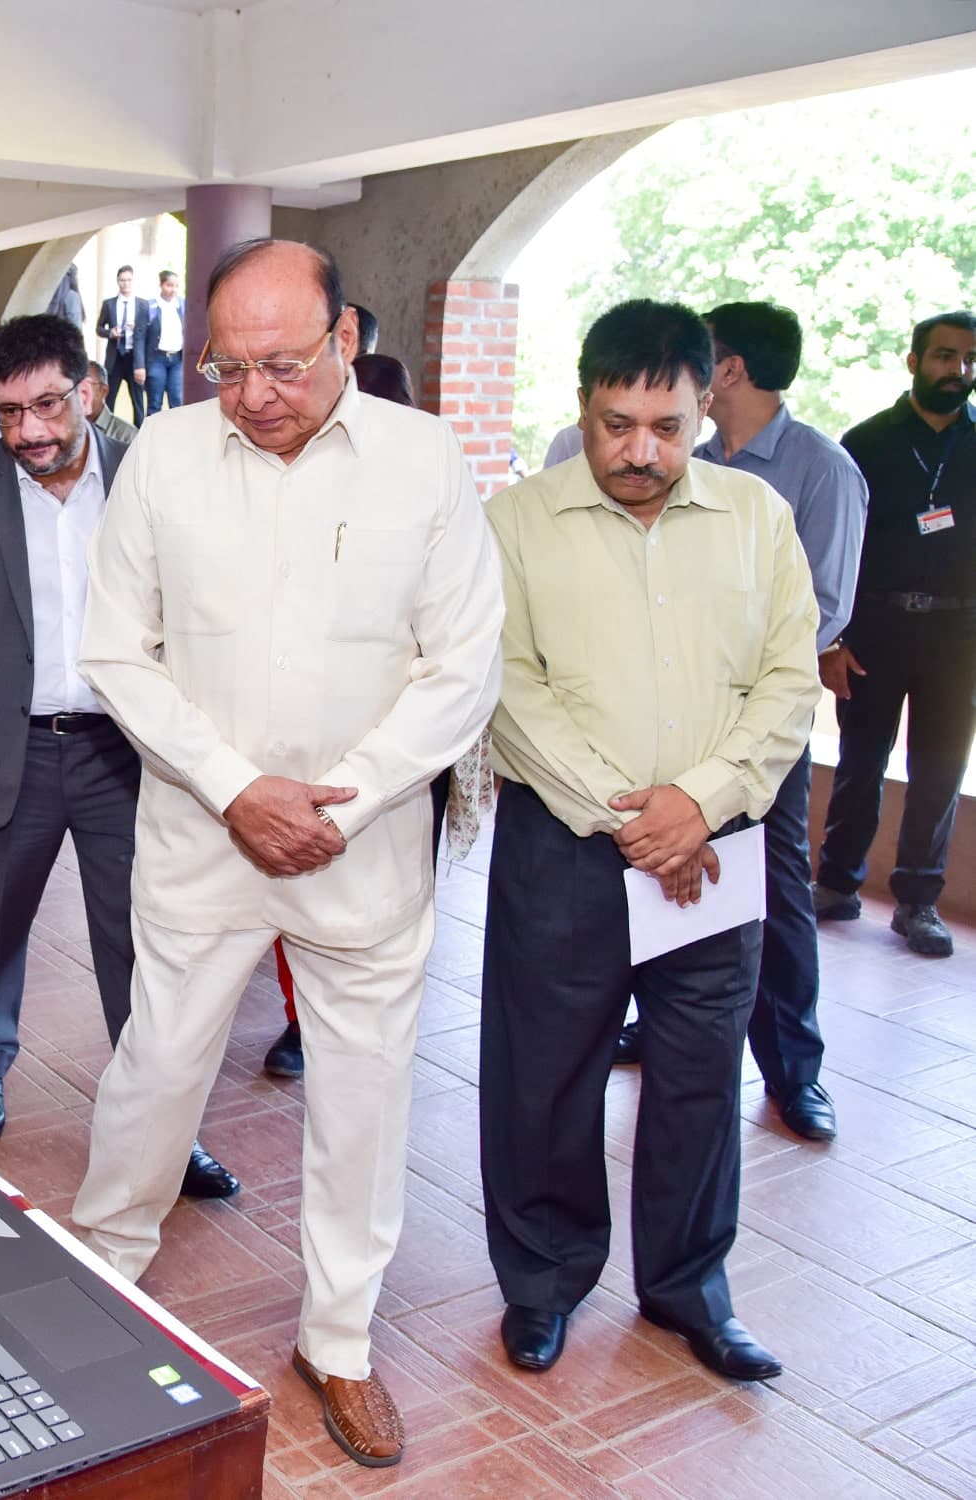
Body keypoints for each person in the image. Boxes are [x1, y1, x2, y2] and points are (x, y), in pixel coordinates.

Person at [72, 240, 502, 1469]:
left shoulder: (424, 459)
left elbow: (462, 665)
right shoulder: (163, 456)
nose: (255, 394)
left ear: (346, 337)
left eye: (284, 364)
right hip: (201, 838)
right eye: (229, 367)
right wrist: (235, 789)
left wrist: (338, 808)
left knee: (363, 1098)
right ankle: (100, 1282)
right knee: (156, 1071)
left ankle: (340, 1342)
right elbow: (116, 652)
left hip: (359, 853)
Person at [483, 300, 817, 1387]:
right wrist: (638, 821)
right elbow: (510, 691)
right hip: (567, 848)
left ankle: (688, 1288)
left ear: (705, 406)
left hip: (714, 851)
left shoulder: (758, 517)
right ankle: (543, 1282)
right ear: (582, 406)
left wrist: (700, 804)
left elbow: (788, 682)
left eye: (667, 428)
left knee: (698, 1075)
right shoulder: (517, 522)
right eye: (616, 425)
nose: (641, 452)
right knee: (545, 1075)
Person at [0, 314, 239, 1198]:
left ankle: (163, 1122)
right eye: (10, 413)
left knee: (142, 938)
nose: (30, 432)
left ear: (87, 390)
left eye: (48, 405)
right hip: (7, 745)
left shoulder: (142, 477)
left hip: (124, 754)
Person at [611, 303, 864, 1144]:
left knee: (773, 889)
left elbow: (824, 610)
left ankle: (795, 1071)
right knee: (660, 863)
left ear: (728, 370)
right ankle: (658, 1022)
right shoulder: (682, 456)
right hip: (665, 715)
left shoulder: (820, 469)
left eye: (703, 356)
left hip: (760, 728)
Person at [260, 347, 444, 1084]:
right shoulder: (293, 493)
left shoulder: (431, 487)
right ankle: (299, 1016)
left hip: (407, 745)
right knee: (295, 881)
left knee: (389, 891)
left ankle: (364, 1013)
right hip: (309, 741)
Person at [818, 311, 976, 957]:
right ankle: (837, 884)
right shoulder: (867, 442)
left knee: (940, 769)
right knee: (860, 761)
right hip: (874, 629)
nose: (958, 370)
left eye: (969, 359)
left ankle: (918, 902)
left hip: (959, 636)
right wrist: (834, 639)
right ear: (913, 361)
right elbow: (840, 546)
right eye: (944, 356)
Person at [95, 265, 153, 425]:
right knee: (109, 399)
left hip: (134, 358)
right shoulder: (109, 304)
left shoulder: (143, 305)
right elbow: (99, 328)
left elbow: (148, 332)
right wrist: (110, 333)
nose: (125, 283)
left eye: (128, 280)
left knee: (138, 401)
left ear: (133, 281)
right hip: (115, 358)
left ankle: (139, 432)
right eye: (122, 280)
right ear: (117, 281)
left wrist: (137, 328)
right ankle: (106, 430)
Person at [148, 270, 187, 412]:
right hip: (157, 358)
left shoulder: (182, 305)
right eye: (169, 285)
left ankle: (177, 427)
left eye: (176, 286)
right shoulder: (151, 306)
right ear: (161, 285)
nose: (173, 289)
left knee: (177, 399)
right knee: (155, 401)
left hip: (177, 359)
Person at [85, 361, 138, 446]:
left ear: (103, 391)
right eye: (74, 386)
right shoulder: (67, 431)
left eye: (86, 386)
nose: (77, 393)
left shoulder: (127, 436)